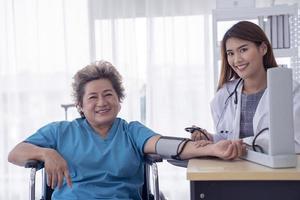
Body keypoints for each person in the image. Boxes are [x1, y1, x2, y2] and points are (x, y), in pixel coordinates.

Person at [8, 60, 244, 200]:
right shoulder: (60, 132)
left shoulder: (131, 131)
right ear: (80, 105)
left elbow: (161, 144)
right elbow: (15, 153)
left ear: (119, 100)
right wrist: (46, 153)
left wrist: (213, 148)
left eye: (108, 94)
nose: (102, 102)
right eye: (92, 97)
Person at [191, 21, 300, 153]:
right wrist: (211, 138)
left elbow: (294, 142)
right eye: (230, 53)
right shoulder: (225, 94)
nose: (236, 60)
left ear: (263, 48)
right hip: (235, 170)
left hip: (276, 172)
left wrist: (241, 143)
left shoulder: (290, 91)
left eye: (243, 50)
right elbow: (228, 137)